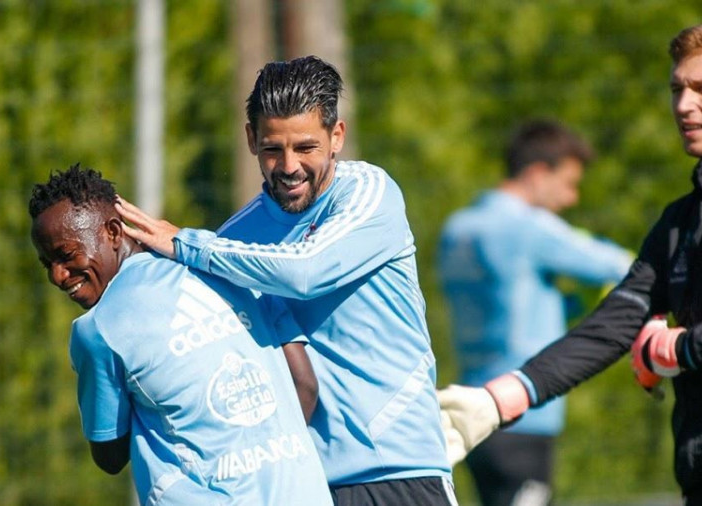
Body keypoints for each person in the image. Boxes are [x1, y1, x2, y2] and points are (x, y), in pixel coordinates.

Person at [439, 22, 702, 506]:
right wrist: (503, 397)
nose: (683, 105)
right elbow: (614, 325)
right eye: (677, 89)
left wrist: (676, 347)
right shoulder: (682, 219)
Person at [115, 55, 456, 506]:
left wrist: (186, 245)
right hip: (301, 484)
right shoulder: (234, 241)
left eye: (306, 147)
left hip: (400, 471)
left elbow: (304, 271)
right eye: (274, 149)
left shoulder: (370, 195)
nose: (289, 166)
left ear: (337, 137)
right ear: (251, 139)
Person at [28, 164, 332, 505]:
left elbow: (109, 455)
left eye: (66, 255)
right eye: (46, 264)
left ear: (114, 232)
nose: (57, 275)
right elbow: (304, 383)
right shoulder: (227, 263)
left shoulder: (97, 328)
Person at [437, 119, 633, 506]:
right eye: (568, 183)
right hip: (524, 408)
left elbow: (507, 299)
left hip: (471, 408)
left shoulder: (457, 230)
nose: (571, 198)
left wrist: (566, 305)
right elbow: (622, 267)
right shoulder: (528, 228)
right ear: (538, 172)